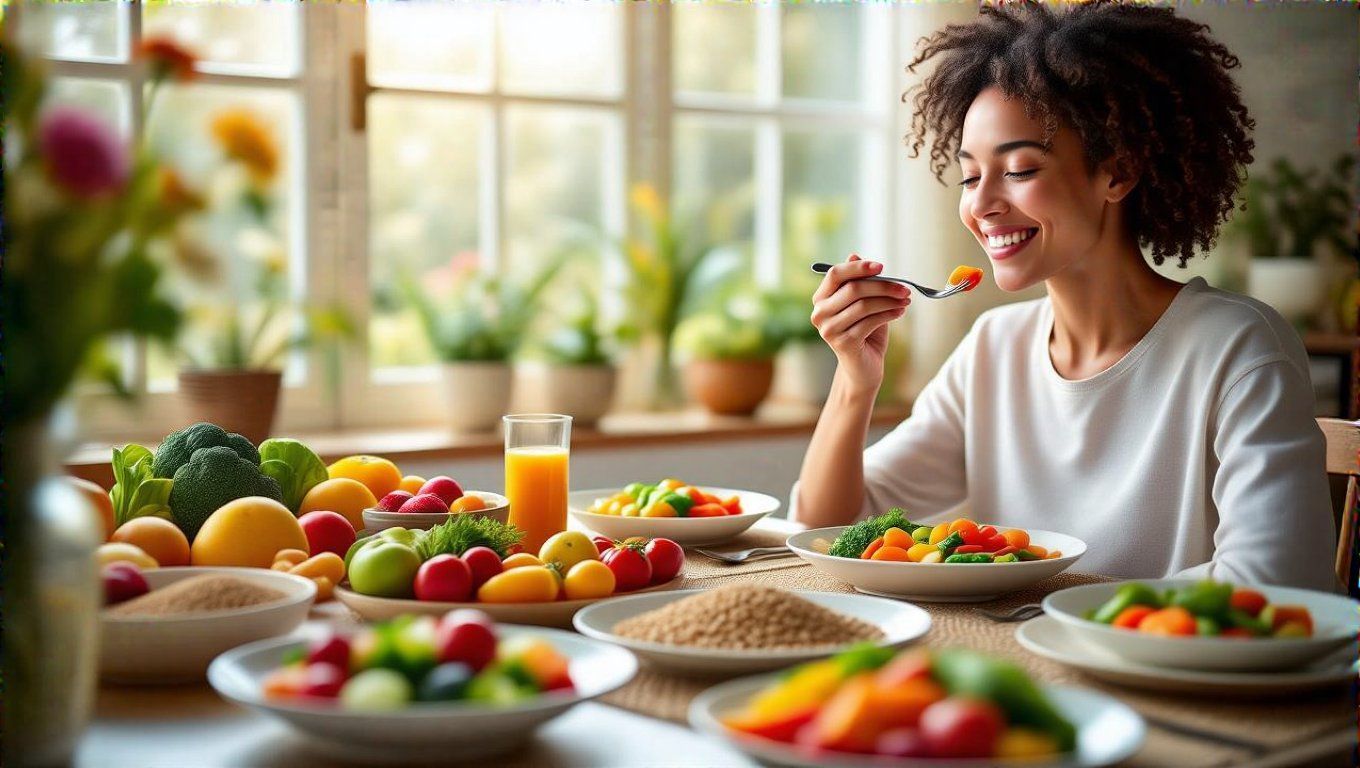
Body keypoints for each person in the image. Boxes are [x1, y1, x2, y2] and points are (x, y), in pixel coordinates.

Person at [791, 1, 1336, 591]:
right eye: (970, 176)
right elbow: (829, 531)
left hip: (1171, 653)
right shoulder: (995, 346)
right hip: (1022, 644)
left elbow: (1276, 578)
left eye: (1020, 170)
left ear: (1117, 173)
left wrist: (1061, 610)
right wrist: (855, 380)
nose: (981, 205)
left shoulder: (1238, 347)